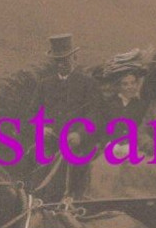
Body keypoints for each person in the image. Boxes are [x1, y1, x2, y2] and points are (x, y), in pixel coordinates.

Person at [30, 34, 103, 198]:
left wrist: (80, 134)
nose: (62, 64)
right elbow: (32, 113)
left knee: (78, 170)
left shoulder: (88, 83)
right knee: (32, 162)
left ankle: (74, 203)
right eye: (58, 60)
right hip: (51, 142)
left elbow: (95, 114)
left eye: (66, 59)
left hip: (78, 143)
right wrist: (41, 128)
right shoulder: (44, 85)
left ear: (74, 58)